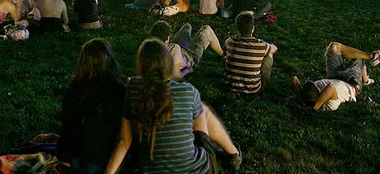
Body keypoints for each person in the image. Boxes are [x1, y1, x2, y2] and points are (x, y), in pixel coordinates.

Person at [104, 39, 242, 174]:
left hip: (150, 169)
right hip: (195, 169)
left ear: (141, 66)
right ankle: (233, 154)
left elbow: (124, 140)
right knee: (202, 111)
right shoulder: (188, 91)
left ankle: (230, 153)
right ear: (169, 64)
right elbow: (201, 131)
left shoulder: (133, 89)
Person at [57, 39, 126, 174]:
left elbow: (66, 126)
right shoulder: (118, 90)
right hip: (101, 160)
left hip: (71, 157)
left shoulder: (73, 89)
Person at [292, 42, 380, 112]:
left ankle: (371, 57)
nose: (316, 85)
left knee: (334, 46)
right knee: (358, 57)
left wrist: (299, 93)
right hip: (351, 82)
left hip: (333, 76)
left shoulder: (305, 95)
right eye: (316, 88)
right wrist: (315, 107)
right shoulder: (329, 104)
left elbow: (295, 79)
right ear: (318, 97)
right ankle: (366, 78)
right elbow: (330, 88)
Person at [224, 11, 277, 94]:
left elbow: (226, 44)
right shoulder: (261, 45)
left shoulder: (230, 42)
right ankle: (264, 84)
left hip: (229, 86)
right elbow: (274, 48)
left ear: (237, 27)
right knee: (269, 54)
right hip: (252, 89)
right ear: (253, 28)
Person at [150, 21, 224, 80]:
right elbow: (175, 77)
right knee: (206, 30)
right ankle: (223, 55)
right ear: (167, 37)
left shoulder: (150, 48)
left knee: (187, 27)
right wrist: (187, 70)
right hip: (191, 57)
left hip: (180, 50)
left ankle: (190, 41)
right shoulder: (174, 49)